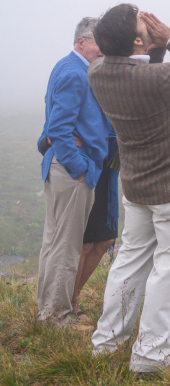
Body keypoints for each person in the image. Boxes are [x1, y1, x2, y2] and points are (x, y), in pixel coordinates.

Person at [88, 4, 170, 373]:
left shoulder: (98, 71)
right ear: (136, 42)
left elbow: (141, 68)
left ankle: (107, 341)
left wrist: (149, 42)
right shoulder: (160, 79)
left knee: (129, 263)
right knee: (168, 271)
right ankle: (149, 357)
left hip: (136, 188)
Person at [36, 17, 110, 327]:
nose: (101, 48)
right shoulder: (74, 73)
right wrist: (80, 168)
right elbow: (58, 128)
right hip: (71, 171)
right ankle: (58, 318)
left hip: (66, 168)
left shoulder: (71, 67)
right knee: (65, 246)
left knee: (55, 243)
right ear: (81, 42)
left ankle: (48, 312)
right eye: (97, 42)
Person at [37, 128, 118, 322]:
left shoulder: (115, 101)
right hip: (84, 169)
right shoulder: (81, 99)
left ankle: (70, 297)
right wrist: (53, 139)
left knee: (105, 239)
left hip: (105, 171)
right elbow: (44, 141)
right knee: (82, 244)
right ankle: (69, 303)